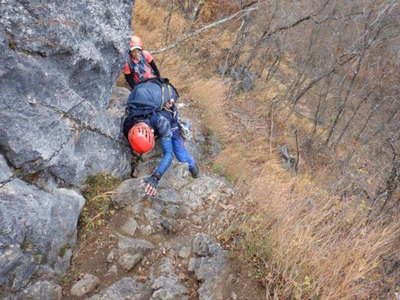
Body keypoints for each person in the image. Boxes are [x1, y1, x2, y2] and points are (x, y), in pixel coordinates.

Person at [123, 79, 199, 196]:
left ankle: (194, 170)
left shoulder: (161, 121)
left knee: (178, 149)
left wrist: (155, 177)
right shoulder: (128, 125)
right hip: (150, 91)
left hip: (163, 99)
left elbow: (169, 154)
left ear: (152, 132)